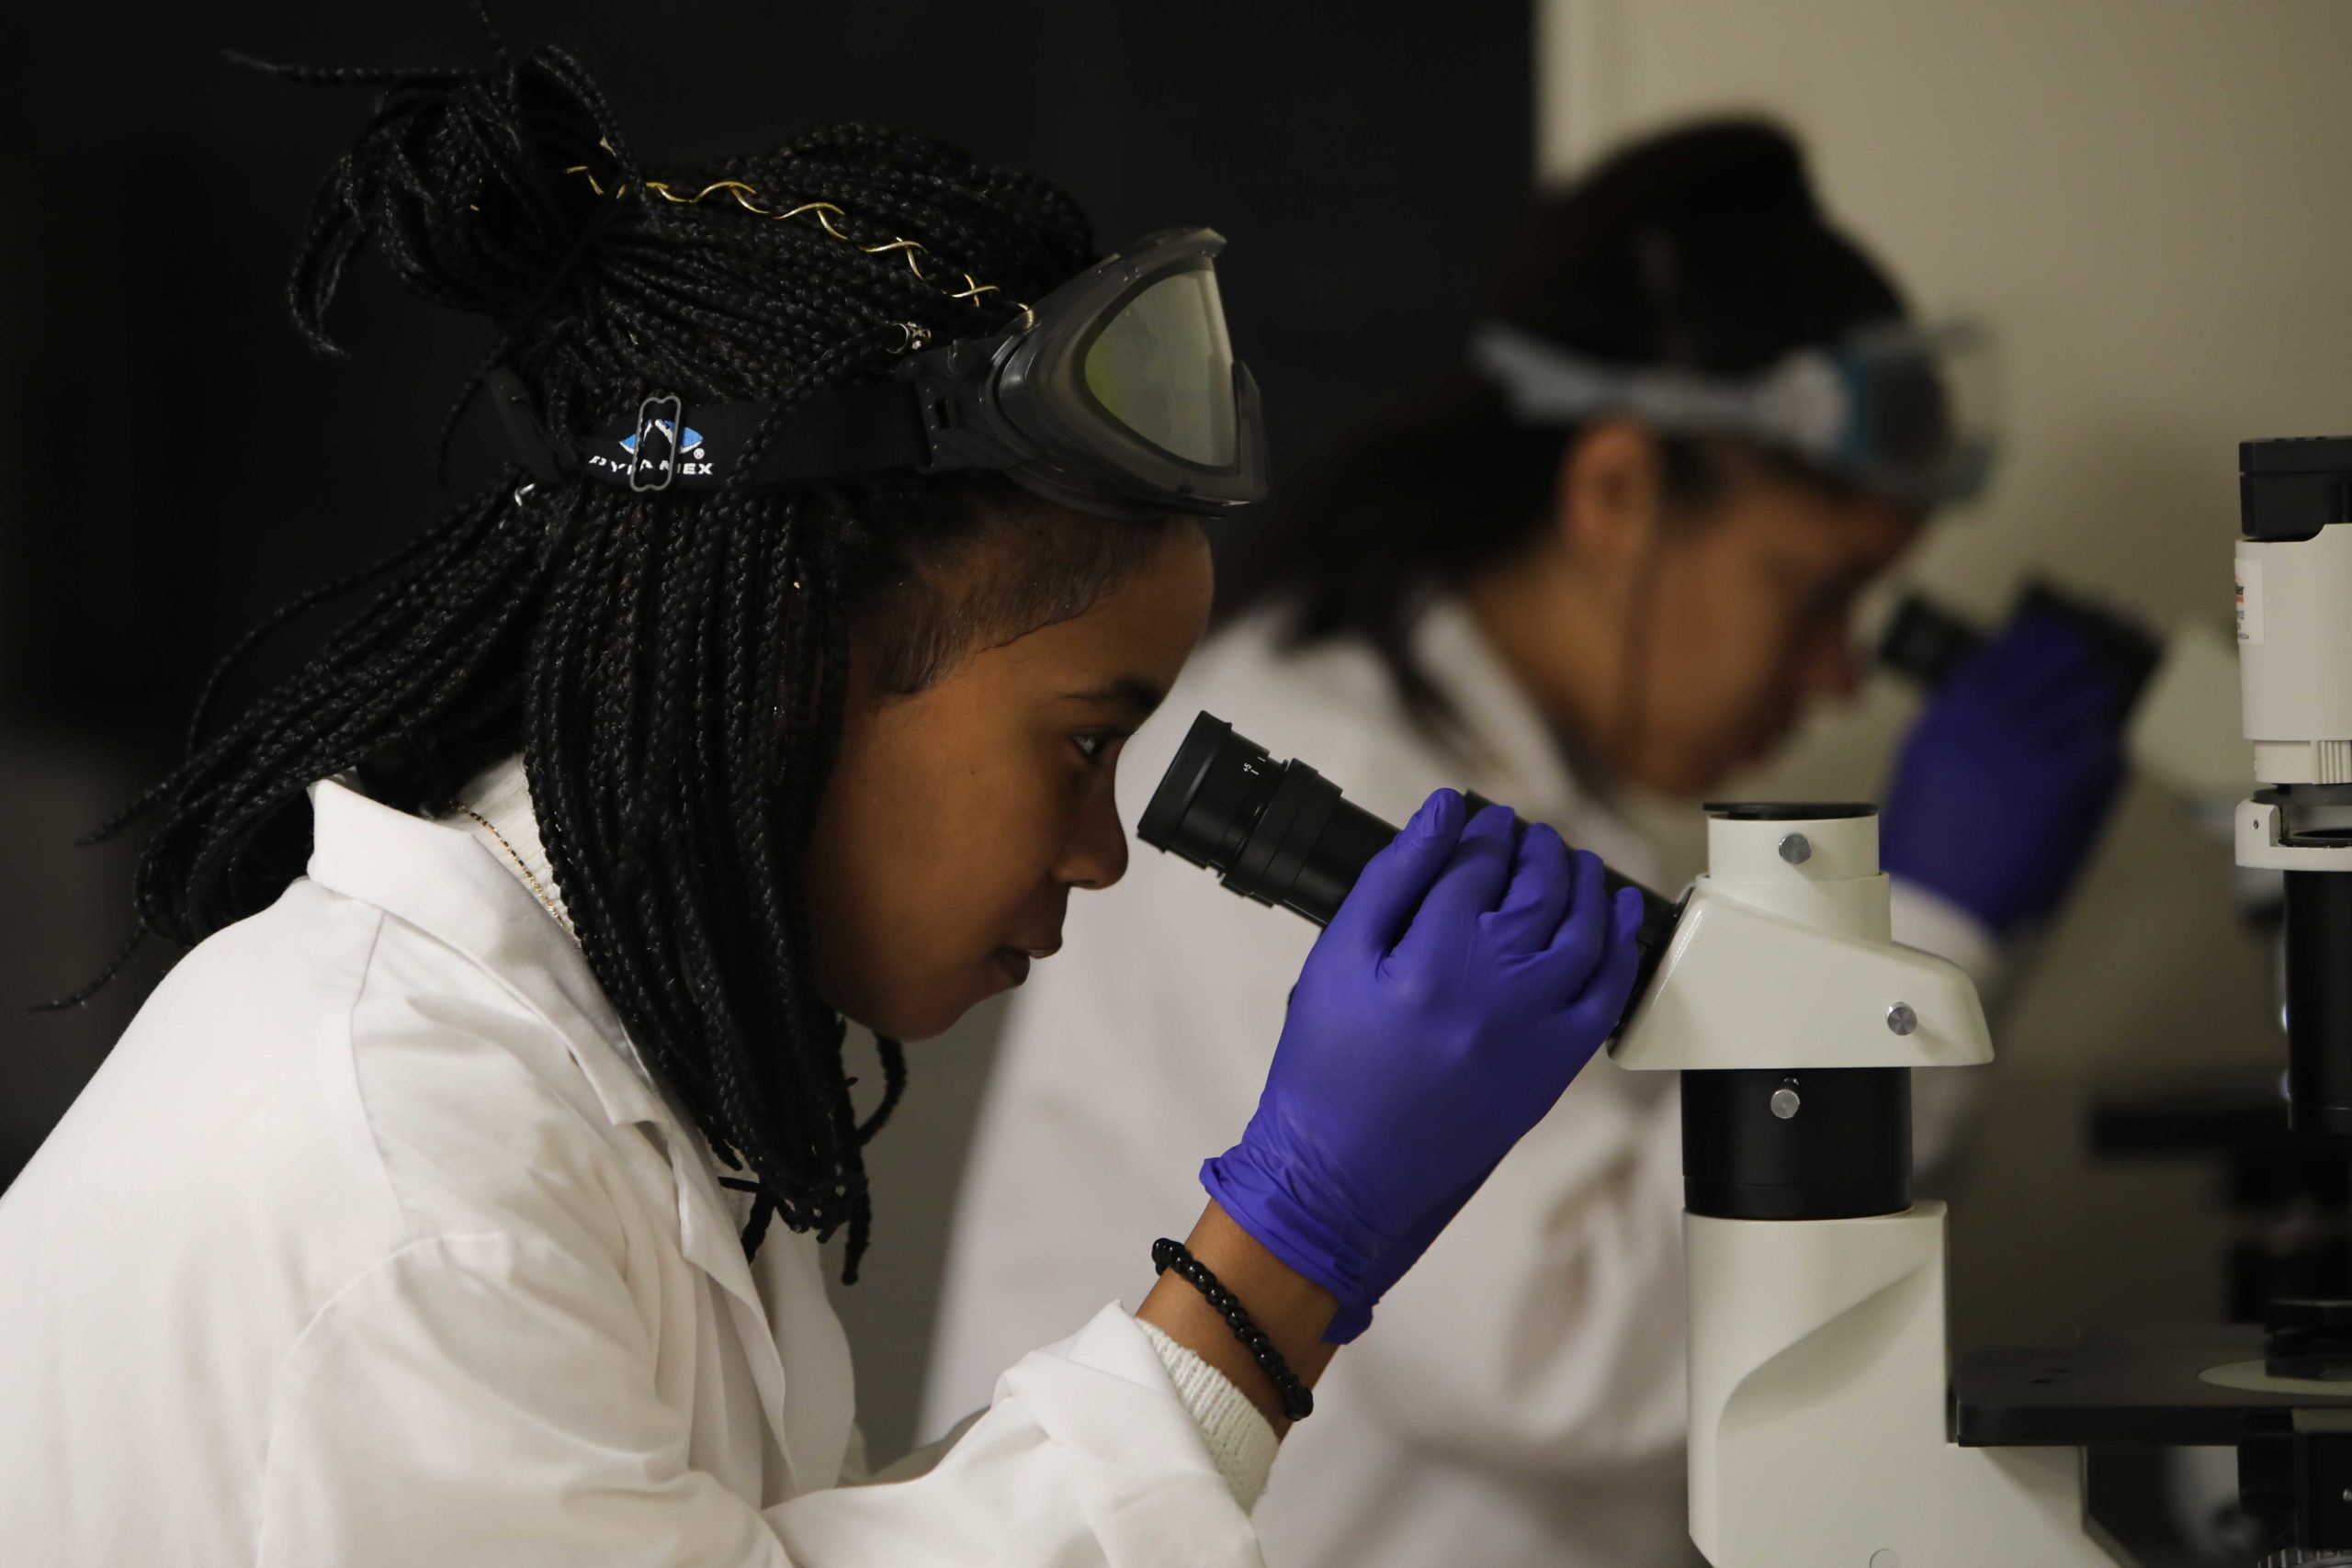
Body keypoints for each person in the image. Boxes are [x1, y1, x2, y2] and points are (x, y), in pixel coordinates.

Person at [0, 46, 1653, 1566]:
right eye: (1084, 744)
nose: (1102, 852)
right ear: (797, 665)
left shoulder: (608, 1087)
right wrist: (1284, 1250)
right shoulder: (411, 1184)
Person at [927, 120, 2132, 1568]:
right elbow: (1562, 1357)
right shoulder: (1331, 764)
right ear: (1617, 489)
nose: (1836, 679)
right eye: (1815, 596)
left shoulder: (1537, 779)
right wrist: (1926, 940)